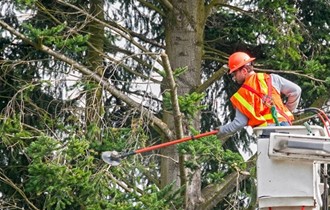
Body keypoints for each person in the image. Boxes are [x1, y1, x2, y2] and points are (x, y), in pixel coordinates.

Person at [217, 52, 301, 139]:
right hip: (286, 126)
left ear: (244, 71)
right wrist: (289, 110)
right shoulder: (271, 78)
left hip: (267, 132)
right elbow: (296, 91)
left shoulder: (242, 94)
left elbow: (239, 123)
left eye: (234, 74)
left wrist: (222, 130)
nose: (234, 78)